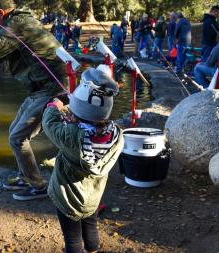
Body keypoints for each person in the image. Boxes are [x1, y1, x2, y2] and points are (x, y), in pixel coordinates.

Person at [0, 0, 67, 201]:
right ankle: (24, 176)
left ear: (0, 13)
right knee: (14, 131)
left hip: (52, 89)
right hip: (42, 88)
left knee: (17, 138)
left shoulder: (15, 25)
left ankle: (38, 186)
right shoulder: (20, 22)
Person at [42, 67, 124, 253]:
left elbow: (50, 124)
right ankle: (93, 250)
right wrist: (76, 115)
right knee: (90, 226)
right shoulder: (116, 134)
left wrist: (54, 105)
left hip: (68, 200)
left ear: (75, 113)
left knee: (72, 238)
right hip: (93, 196)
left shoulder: (71, 136)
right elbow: (89, 127)